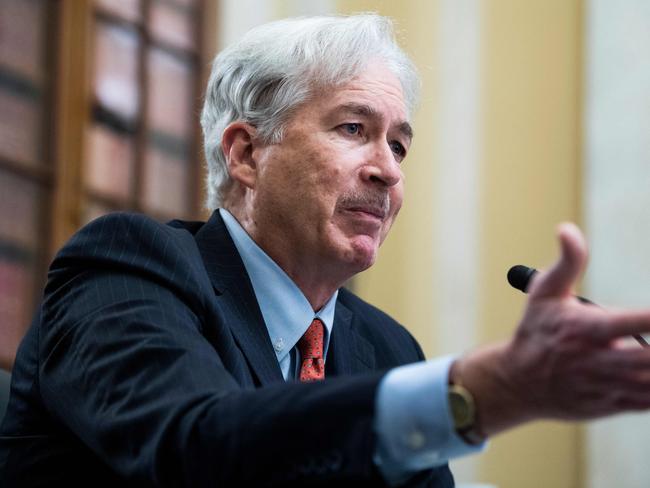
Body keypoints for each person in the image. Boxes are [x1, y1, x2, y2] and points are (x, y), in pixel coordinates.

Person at [2, 13, 650, 487]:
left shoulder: (387, 350)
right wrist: (485, 391)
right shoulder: (129, 267)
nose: (388, 170)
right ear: (247, 153)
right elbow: (194, 448)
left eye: (399, 144)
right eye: (353, 128)